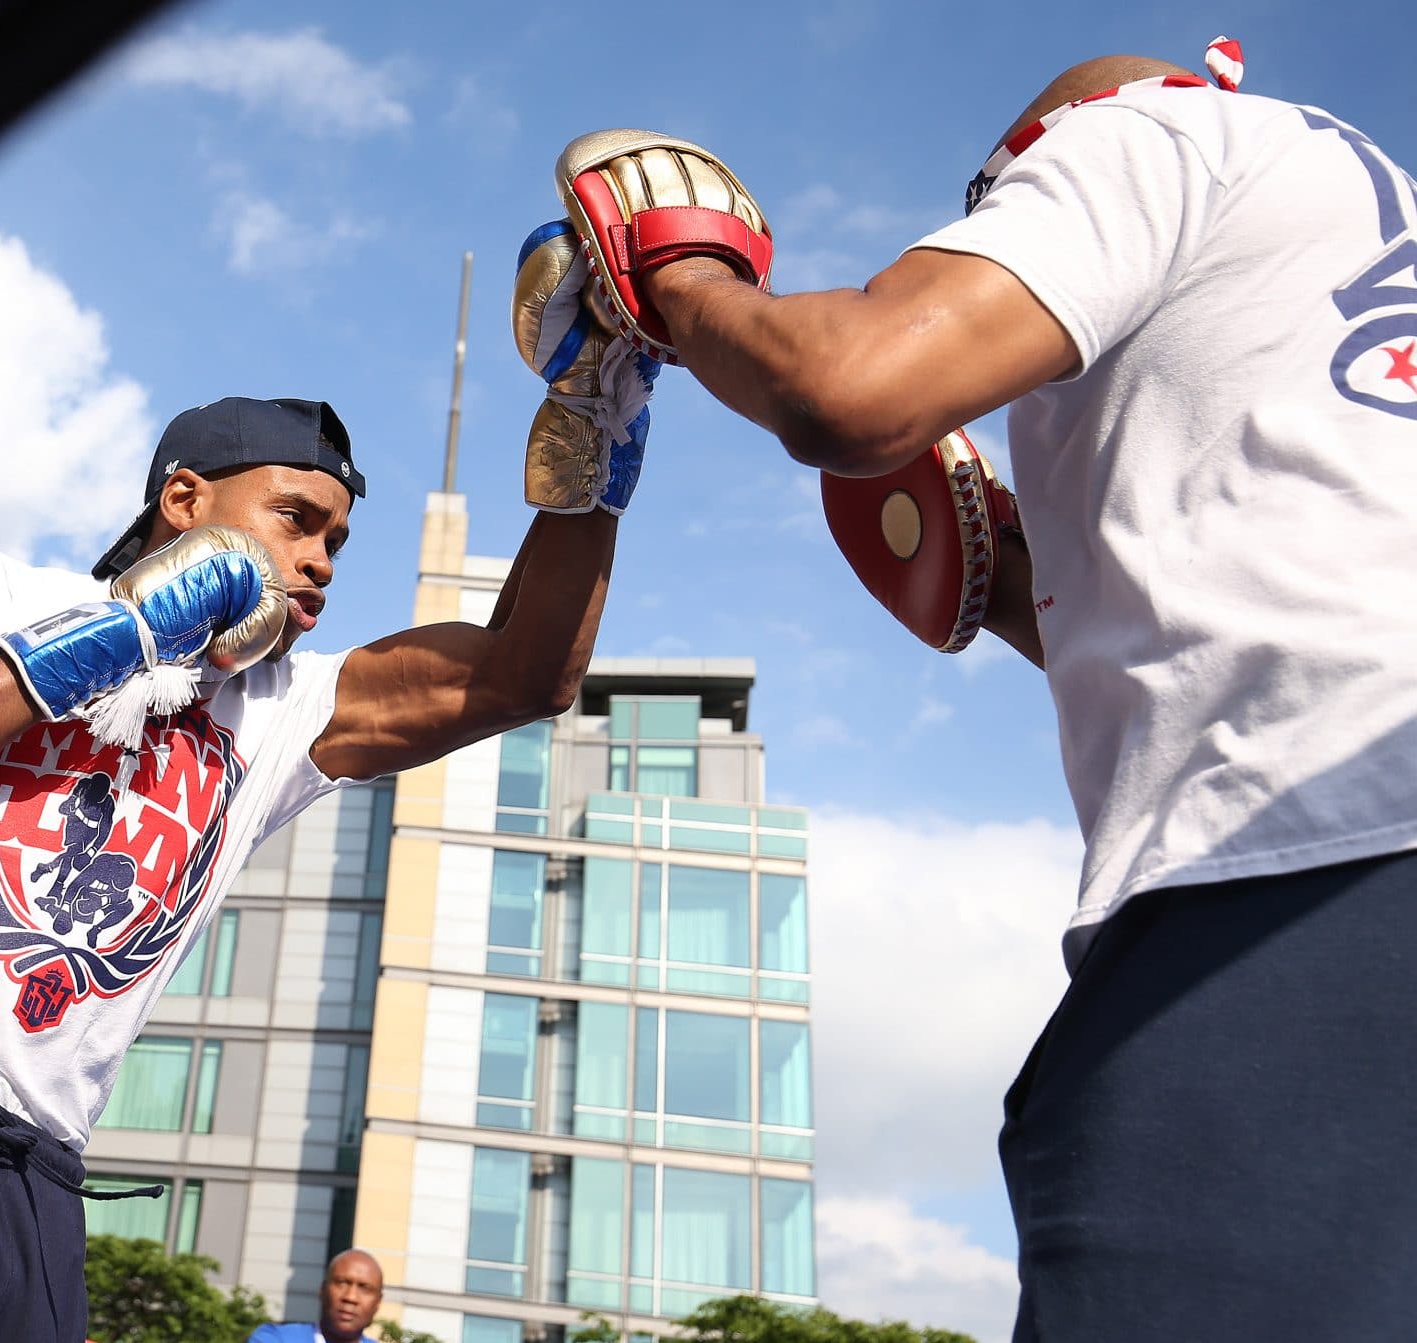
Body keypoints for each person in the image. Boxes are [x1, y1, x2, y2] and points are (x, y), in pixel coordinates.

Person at [556, 39, 1417, 1342]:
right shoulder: (1358, 229)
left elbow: (850, 388)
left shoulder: (1150, 139)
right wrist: (1015, 576)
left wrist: (677, 280)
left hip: (1303, 880)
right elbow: (1266, 587)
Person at [0, 229, 658, 1343]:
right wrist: (126, 632)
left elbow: (521, 674)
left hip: (40, 1179)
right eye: (294, 520)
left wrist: (596, 440)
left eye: (337, 543)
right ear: (182, 499)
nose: (319, 560)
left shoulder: (280, 709)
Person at [247, 1249, 384, 1343]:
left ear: (378, 1303)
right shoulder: (276, 1339)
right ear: (322, 1290)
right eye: (342, 1283)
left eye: (364, 1288)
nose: (350, 1297)